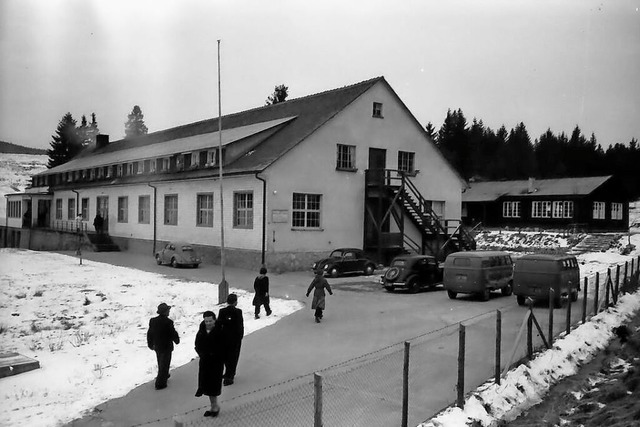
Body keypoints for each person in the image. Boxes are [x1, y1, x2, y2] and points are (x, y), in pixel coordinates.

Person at [194, 310, 223, 417]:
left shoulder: (220, 330)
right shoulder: (201, 331)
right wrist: (201, 353)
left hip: (216, 362)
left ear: (214, 320)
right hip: (205, 361)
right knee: (206, 384)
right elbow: (197, 344)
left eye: (210, 321)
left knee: (213, 385)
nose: (208, 323)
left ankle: (215, 407)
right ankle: (213, 406)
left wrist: (218, 356)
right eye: (206, 321)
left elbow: (225, 346)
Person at [147, 302, 180, 390]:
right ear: (165, 312)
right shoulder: (168, 322)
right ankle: (160, 383)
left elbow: (150, 333)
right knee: (165, 363)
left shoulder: (153, 321)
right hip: (166, 346)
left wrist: (150, 344)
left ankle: (165, 375)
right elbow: (172, 333)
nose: (169, 312)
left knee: (160, 361)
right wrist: (176, 340)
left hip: (157, 346)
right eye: (168, 310)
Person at [218, 293, 244, 386]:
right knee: (233, 358)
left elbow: (219, 325)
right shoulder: (238, 312)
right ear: (235, 302)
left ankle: (227, 373)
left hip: (224, 339)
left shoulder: (222, 311)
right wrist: (240, 337)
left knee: (225, 357)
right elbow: (240, 326)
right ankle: (230, 376)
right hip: (234, 339)